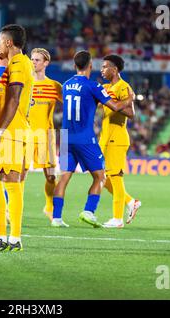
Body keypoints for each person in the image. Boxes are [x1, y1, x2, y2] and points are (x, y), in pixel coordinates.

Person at [52, 51, 134, 228]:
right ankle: (89, 211)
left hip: (66, 137)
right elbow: (116, 106)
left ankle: (56, 218)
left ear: (75, 66)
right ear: (90, 66)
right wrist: (130, 99)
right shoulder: (93, 86)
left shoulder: (66, 85)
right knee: (100, 177)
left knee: (63, 178)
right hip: (84, 137)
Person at [0, 24, 34, 252]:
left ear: (8, 43)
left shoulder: (20, 63)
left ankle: (13, 238)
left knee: (10, 183)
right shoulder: (12, 65)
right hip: (9, 130)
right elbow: (1, 97)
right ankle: (3, 237)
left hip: (12, 133)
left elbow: (14, 100)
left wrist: (0, 131)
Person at [22, 48, 63, 226]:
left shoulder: (54, 86)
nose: (34, 62)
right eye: (32, 59)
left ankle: (49, 207)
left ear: (46, 63)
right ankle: (10, 210)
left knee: (51, 177)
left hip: (46, 136)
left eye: (38, 60)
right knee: (19, 176)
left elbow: (69, 106)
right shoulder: (25, 83)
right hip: (26, 134)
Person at [99, 55, 141, 228]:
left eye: (105, 67)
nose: (101, 70)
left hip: (117, 137)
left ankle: (117, 219)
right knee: (100, 177)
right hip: (105, 138)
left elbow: (131, 114)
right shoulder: (107, 87)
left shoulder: (123, 87)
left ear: (114, 69)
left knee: (115, 177)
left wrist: (120, 103)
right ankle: (131, 202)